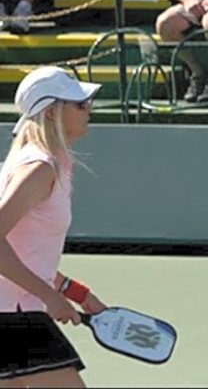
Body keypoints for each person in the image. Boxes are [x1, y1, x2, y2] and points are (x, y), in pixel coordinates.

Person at [0, 66, 108, 388]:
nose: (88, 109)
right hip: (13, 315)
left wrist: (77, 294)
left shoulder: (48, 164)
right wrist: (49, 296)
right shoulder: (39, 168)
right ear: (51, 113)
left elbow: (25, 252)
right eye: (79, 104)